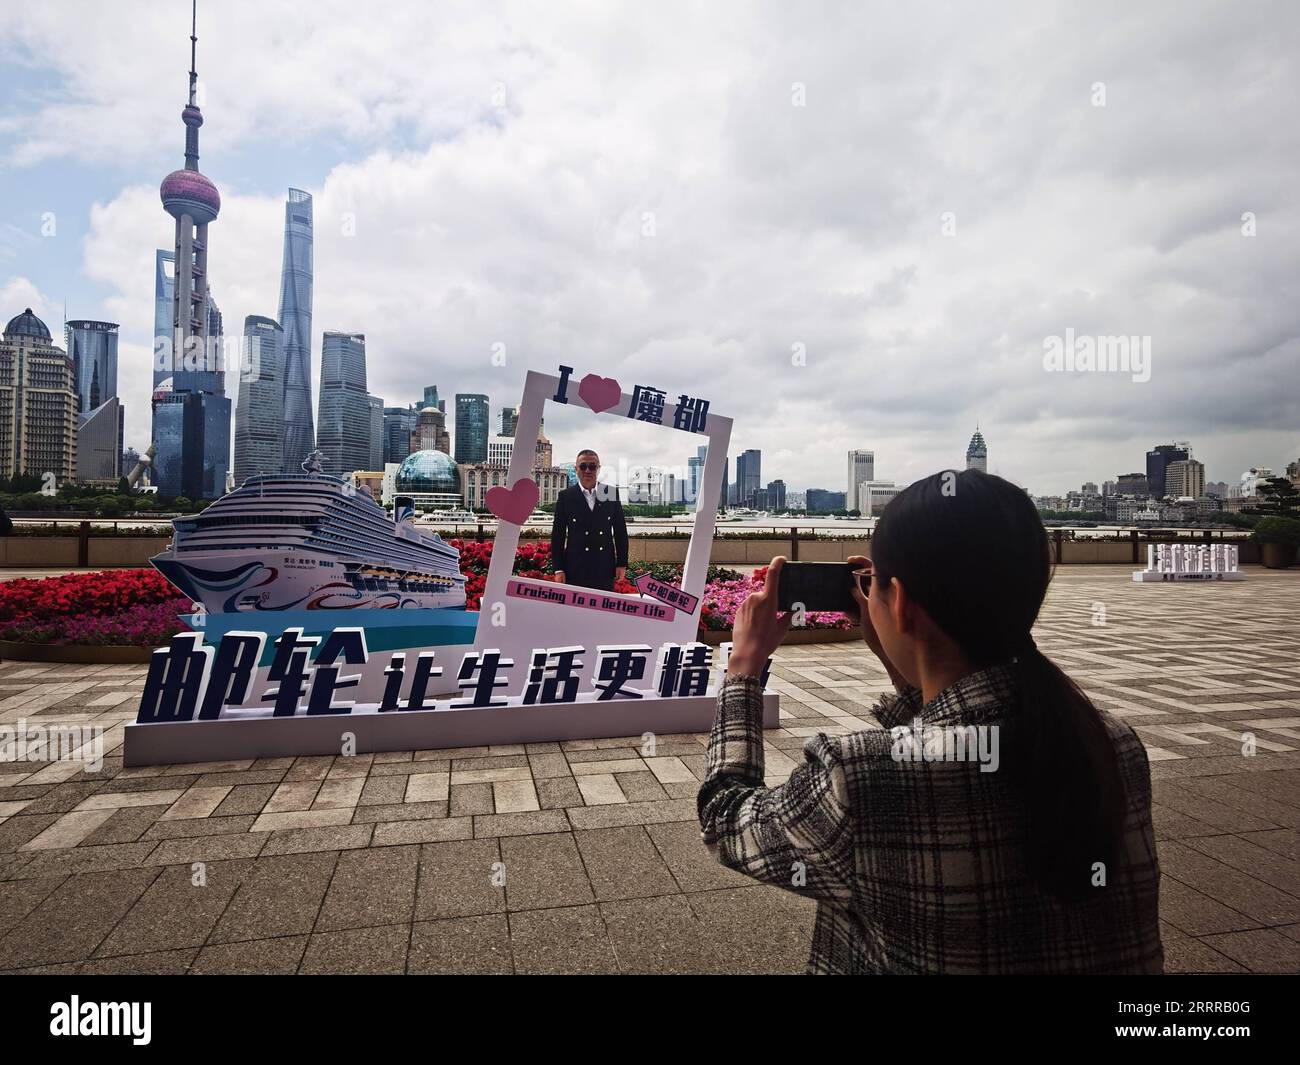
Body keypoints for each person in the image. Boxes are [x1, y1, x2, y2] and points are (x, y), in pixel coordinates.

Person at [698, 469, 1163, 974]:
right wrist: (905, 658)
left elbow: (726, 821)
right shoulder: (1112, 745)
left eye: (873, 584)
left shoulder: (861, 778)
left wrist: (743, 671)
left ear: (900, 603)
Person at [550, 449, 628, 592]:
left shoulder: (610, 493)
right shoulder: (566, 496)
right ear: (576, 469)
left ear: (598, 469)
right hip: (575, 567)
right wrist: (558, 569)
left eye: (592, 466)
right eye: (583, 466)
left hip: (604, 566)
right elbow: (558, 536)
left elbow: (620, 531)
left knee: (603, 611)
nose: (587, 470)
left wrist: (622, 563)